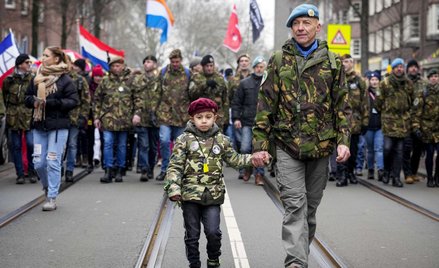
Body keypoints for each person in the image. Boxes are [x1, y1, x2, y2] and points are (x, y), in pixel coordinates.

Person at [252, 4, 351, 267]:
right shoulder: (277, 60)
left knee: (310, 210)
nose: (300, 28)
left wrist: (343, 141)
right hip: (287, 146)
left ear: (318, 27)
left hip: (320, 147)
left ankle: (300, 253)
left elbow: (342, 105)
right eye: (295, 24)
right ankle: (296, 263)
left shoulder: (333, 62)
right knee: (295, 206)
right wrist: (260, 145)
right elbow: (265, 105)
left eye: (306, 23)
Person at [164, 97, 270, 268]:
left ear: (215, 118)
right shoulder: (183, 140)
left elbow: (235, 160)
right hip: (189, 195)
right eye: (199, 117)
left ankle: (213, 259)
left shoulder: (222, 140)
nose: (204, 121)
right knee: (192, 234)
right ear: (192, 119)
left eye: (208, 117)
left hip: (213, 195)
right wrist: (174, 188)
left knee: (213, 232)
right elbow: (174, 166)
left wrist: (254, 159)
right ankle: (194, 263)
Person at [24, 46, 79, 211]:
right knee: (39, 163)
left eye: (46, 55)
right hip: (39, 125)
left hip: (58, 127)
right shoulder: (37, 77)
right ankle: (47, 186)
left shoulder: (65, 79)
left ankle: (52, 197)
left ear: (56, 59)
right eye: (43, 54)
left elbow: (74, 101)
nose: (43, 57)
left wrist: (52, 103)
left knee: (52, 161)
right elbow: (26, 97)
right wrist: (32, 101)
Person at [94, 56, 137, 183]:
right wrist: (97, 116)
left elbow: (137, 99)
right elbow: (97, 99)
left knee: (122, 145)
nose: (116, 68)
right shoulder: (105, 81)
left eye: (118, 65)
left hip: (124, 119)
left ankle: (120, 169)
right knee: (107, 143)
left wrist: (136, 114)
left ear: (123, 66)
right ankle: (108, 169)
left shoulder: (130, 80)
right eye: (113, 66)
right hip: (108, 119)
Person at [375, 58, 414, 187]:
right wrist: (386, 113)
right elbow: (378, 103)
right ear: (393, 68)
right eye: (397, 67)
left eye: (401, 67)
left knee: (399, 151)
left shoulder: (408, 84)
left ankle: (396, 177)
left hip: (403, 122)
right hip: (388, 122)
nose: (399, 69)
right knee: (387, 148)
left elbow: (412, 101)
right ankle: (386, 171)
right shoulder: (385, 83)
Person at [155, 49, 191, 181]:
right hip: (165, 114)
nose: (175, 64)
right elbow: (157, 92)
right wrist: (155, 110)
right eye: (172, 61)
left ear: (180, 60)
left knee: (180, 145)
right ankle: (165, 169)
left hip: (181, 115)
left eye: (177, 61)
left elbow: (192, 93)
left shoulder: (187, 73)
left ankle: (178, 170)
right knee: (164, 141)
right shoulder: (164, 73)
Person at [232, 55, 267, 185]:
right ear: (253, 68)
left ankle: (259, 174)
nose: (259, 69)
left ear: (265, 68)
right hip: (247, 121)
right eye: (257, 67)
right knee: (245, 147)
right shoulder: (245, 83)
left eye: (261, 67)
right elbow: (236, 102)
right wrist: (236, 118)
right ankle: (247, 169)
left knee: (260, 149)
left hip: (262, 123)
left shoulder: (268, 83)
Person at [2, 54, 36, 184]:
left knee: (30, 144)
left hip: (28, 115)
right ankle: (20, 174)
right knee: (15, 146)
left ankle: (32, 171)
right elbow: (5, 97)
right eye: (27, 62)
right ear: (20, 64)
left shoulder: (32, 79)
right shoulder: (9, 80)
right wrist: (8, 111)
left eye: (29, 62)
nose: (29, 64)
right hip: (13, 116)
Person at [335, 54, 368, 187]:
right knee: (341, 148)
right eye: (344, 61)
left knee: (353, 150)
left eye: (349, 61)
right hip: (340, 119)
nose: (346, 64)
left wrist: (365, 121)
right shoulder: (336, 78)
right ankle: (341, 175)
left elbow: (365, 102)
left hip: (355, 121)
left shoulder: (359, 80)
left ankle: (351, 172)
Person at [132, 55, 161, 181]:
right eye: (145, 62)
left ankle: (150, 168)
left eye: (149, 62)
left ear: (154, 64)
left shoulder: (159, 79)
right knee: (143, 145)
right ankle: (144, 168)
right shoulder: (138, 79)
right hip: (142, 117)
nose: (146, 64)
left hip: (155, 118)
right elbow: (133, 96)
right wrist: (135, 113)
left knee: (153, 147)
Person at [64, 59, 91, 182]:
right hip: (59, 118)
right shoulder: (57, 78)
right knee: (59, 146)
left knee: (72, 144)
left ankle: (69, 170)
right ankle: (58, 168)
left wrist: (83, 116)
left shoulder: (80, 80)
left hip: (74, 117)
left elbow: (86, 100)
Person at [412, 68, 439, 187]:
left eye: (436, 76)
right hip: (427, 128)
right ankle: (430, 178)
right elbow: (417, 112)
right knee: (429, 153)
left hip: (438, 128)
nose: (434, 78)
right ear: (428, 79)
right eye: (432, 76)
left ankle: (437, 177)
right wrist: (416, 127)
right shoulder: (423, 93)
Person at [403, 59, 426, 184]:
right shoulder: (404, 82)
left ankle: (414, 172)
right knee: (406, 149)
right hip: (405, 121)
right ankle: (407, 174)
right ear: (407, 69)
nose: (413, 69)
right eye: (411, 67)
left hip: (419, 121)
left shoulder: (423, 83)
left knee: (417, 149)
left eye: (415, 67)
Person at [189, 55, 228, 126]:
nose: (209, 68)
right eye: (207, 66)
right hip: (201, 115)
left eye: (211, 65)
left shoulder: (219, 78)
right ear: (203, 66)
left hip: (217, 116)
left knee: (218, 136)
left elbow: (225, 99)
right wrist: (205, 85)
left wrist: (226, 118)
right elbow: (192, 95)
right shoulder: (196, 77)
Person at [363, 71, 385, 181]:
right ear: (369, 81)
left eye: (376, 79)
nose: (374, 82)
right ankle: (371, 170)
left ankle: (381, 170)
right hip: (368, 126)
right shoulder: (366, 93)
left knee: (379, 148)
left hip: (380, 126)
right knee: (370, 150)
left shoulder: (382, 93)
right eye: (372, 80)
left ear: (379, 81)